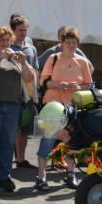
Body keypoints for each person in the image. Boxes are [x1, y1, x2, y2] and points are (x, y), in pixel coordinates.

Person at [36, 27, 93, 191]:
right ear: (61, 44)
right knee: (47, 140)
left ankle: (71, 174)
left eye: (74, 42)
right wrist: (57, 85)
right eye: (67, 42)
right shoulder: (53, 58)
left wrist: (79, 87)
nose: (70, 45)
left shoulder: (82, 61)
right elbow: (43, 81)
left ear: (77, 44)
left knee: (71, 142)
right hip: (53, 107)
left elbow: (88, 85)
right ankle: (41, 176)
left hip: (72, 108)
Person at [0, 26, 34, 191]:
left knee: (7, 144)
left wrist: (24, 62)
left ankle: (5, 177)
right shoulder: (1, 56)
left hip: (13, 106)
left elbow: (28, 78)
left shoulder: (14, 57)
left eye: (7, 40)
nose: (5, 43)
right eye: (2, 40)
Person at [10, 15, 40, 170]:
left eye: (25, 30)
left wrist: (36, 90)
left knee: (24, 130)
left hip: (28, 96)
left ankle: (21, 160)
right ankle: (6, 161)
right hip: (10, 95)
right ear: (13, 30)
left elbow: (35, 70)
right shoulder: (6, 47)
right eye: (20, 30)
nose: (23, 33)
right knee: (7, 129)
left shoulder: (31, 48)